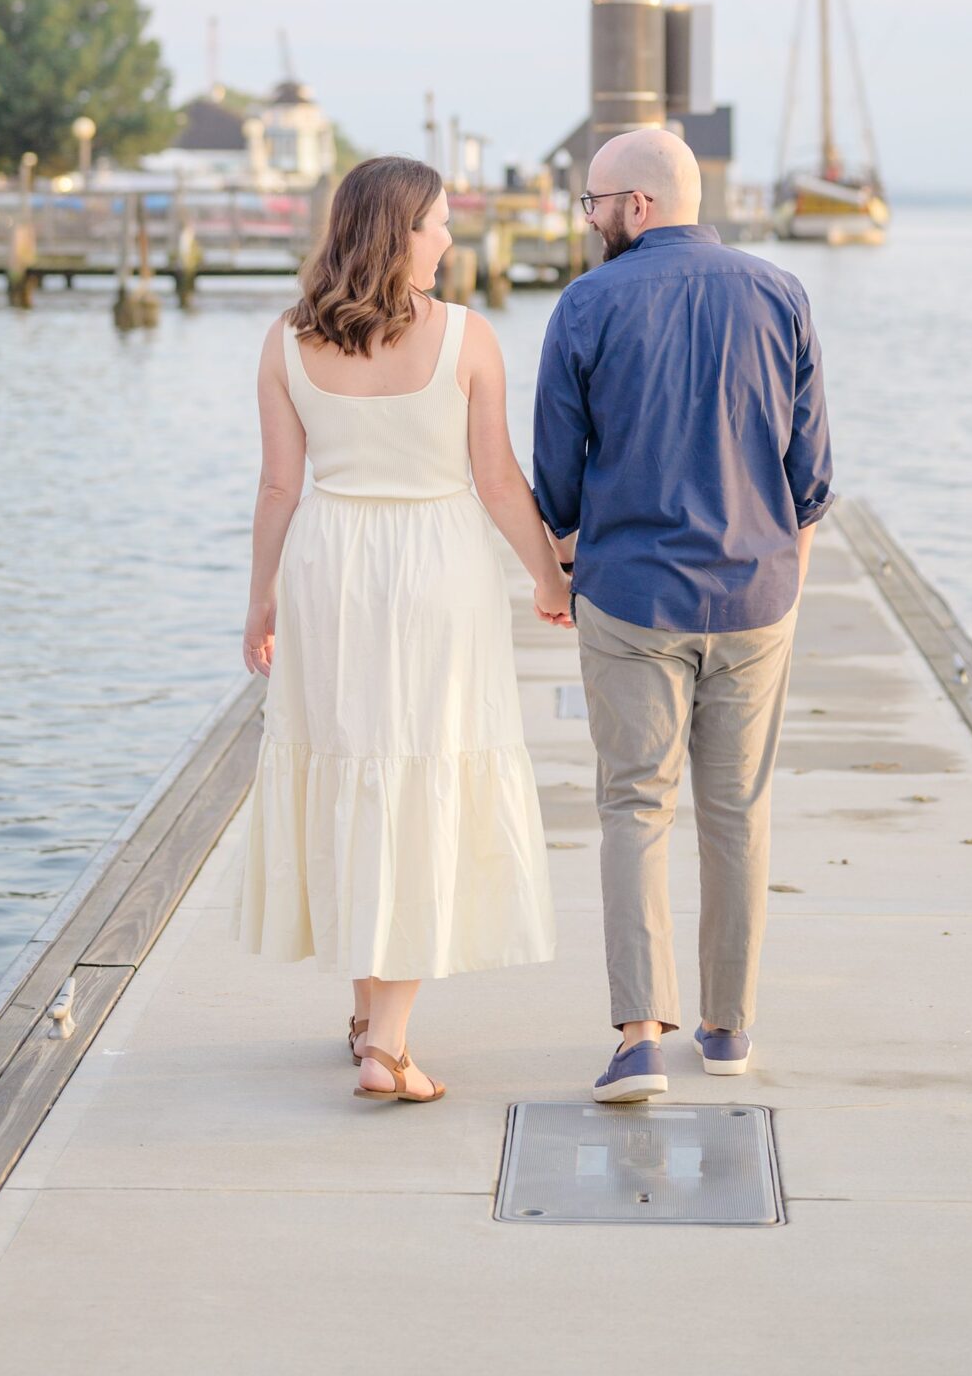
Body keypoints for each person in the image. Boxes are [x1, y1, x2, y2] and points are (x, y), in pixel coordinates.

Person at [235, 156, 572, 1104]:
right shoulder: (467, 338)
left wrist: (259, 598)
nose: (449, 239)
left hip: (326, 564)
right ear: (395, 233)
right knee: (421, 771)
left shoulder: (286, 342)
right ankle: (387, 1045)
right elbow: (499, 481)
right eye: (435, 224)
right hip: (435, 568)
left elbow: (276, 488)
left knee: (351, 763)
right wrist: (546, 574)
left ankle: (362, 1018)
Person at [534, 126, 832, 1104]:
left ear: (639, 205)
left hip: (630, 596)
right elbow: (810, 473)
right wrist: (780, 569)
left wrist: (570, 552)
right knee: (737, 810)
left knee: (633, 804)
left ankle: (636, 1041)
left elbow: (555, 476)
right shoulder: (780, 295)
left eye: (593, 203)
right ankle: (728, 1026)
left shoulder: (585, 304)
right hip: (755, 597)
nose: (588, 221)